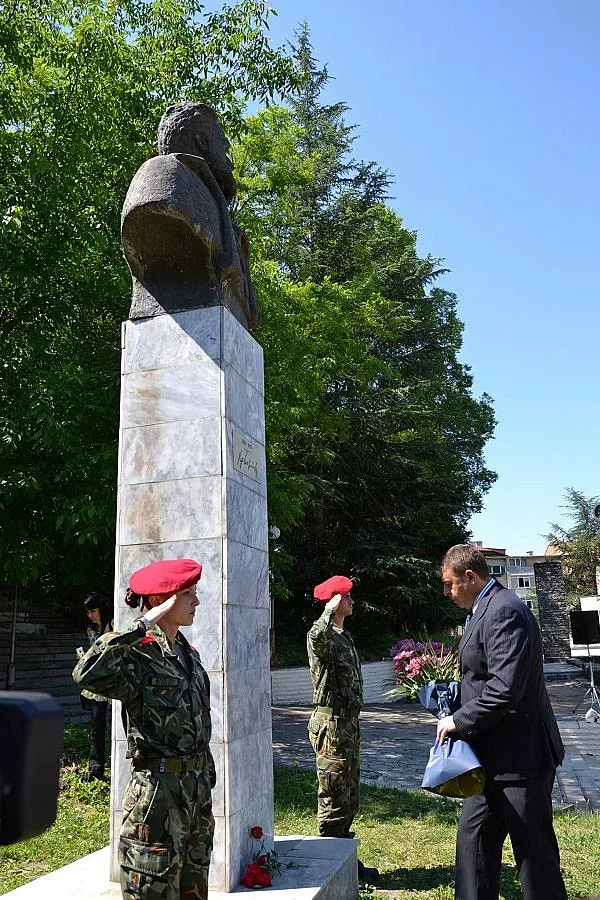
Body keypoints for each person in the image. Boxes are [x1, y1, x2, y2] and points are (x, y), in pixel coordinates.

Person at [73, 558, 215, 900]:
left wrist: (206, 778)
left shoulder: (188, 654)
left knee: (193, 890)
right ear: (159, 600)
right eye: (188, 594)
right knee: (151, 887)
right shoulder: (138, 654)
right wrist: (141, 624)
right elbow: (86, 672)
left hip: (194, 794)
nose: (196, 602)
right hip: (157, 797)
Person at [438, 545, 567, 900]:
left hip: (521, 759)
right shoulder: (483, 609)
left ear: (469, 577)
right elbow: (482, 674)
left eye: (450, 585)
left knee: (534, 856)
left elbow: (504, 689)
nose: (448, 594)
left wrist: (457, 721)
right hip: (490, 757)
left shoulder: (504, 611)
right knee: (474, 840)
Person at [306, 574, 379, 884]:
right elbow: (317, 637)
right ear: (334, 601)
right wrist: (328, 610)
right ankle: (330, 866)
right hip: (331, 725)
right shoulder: (320, 634)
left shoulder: (342, 636)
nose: (351, 601)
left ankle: (345, 860)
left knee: (349, 795)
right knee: (334, 794)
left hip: (347, 724)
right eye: (346, 597)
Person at [77, 591, 114, 782]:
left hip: (115, 682)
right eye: (88, 612)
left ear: (101, 609)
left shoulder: (114, 627)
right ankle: (95, 768)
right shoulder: (91, 631)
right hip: (97, 685)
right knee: (96, 727)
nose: (90, 615)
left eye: (93, 611)